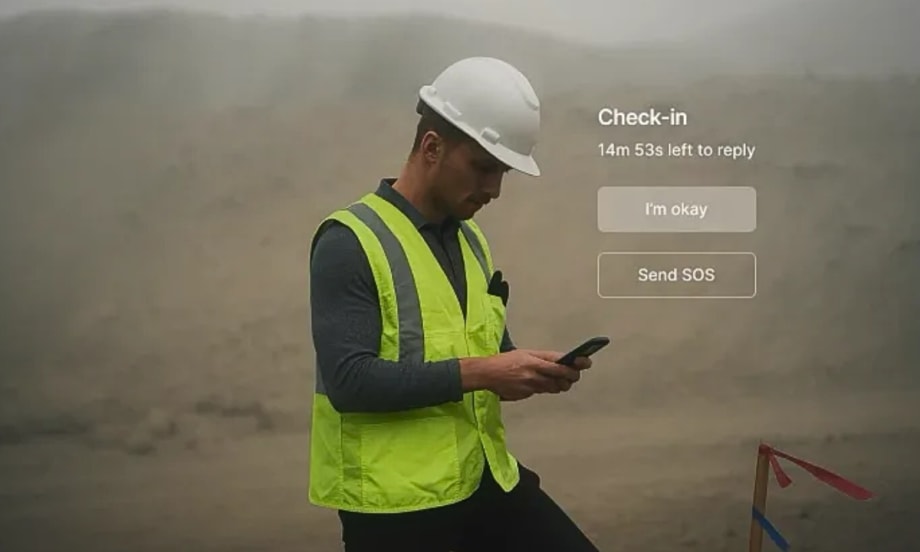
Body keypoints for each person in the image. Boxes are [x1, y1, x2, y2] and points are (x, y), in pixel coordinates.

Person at [308, 56, 600, 552]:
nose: (494, 189)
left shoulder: (472, 242)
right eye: (483, 168)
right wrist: (488, 372)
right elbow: (350, 382)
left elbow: (486, 353)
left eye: (502, 172)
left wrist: (526, 370)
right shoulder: (349, 241)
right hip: (397, 515)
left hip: (485, 482)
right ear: (431, 147)